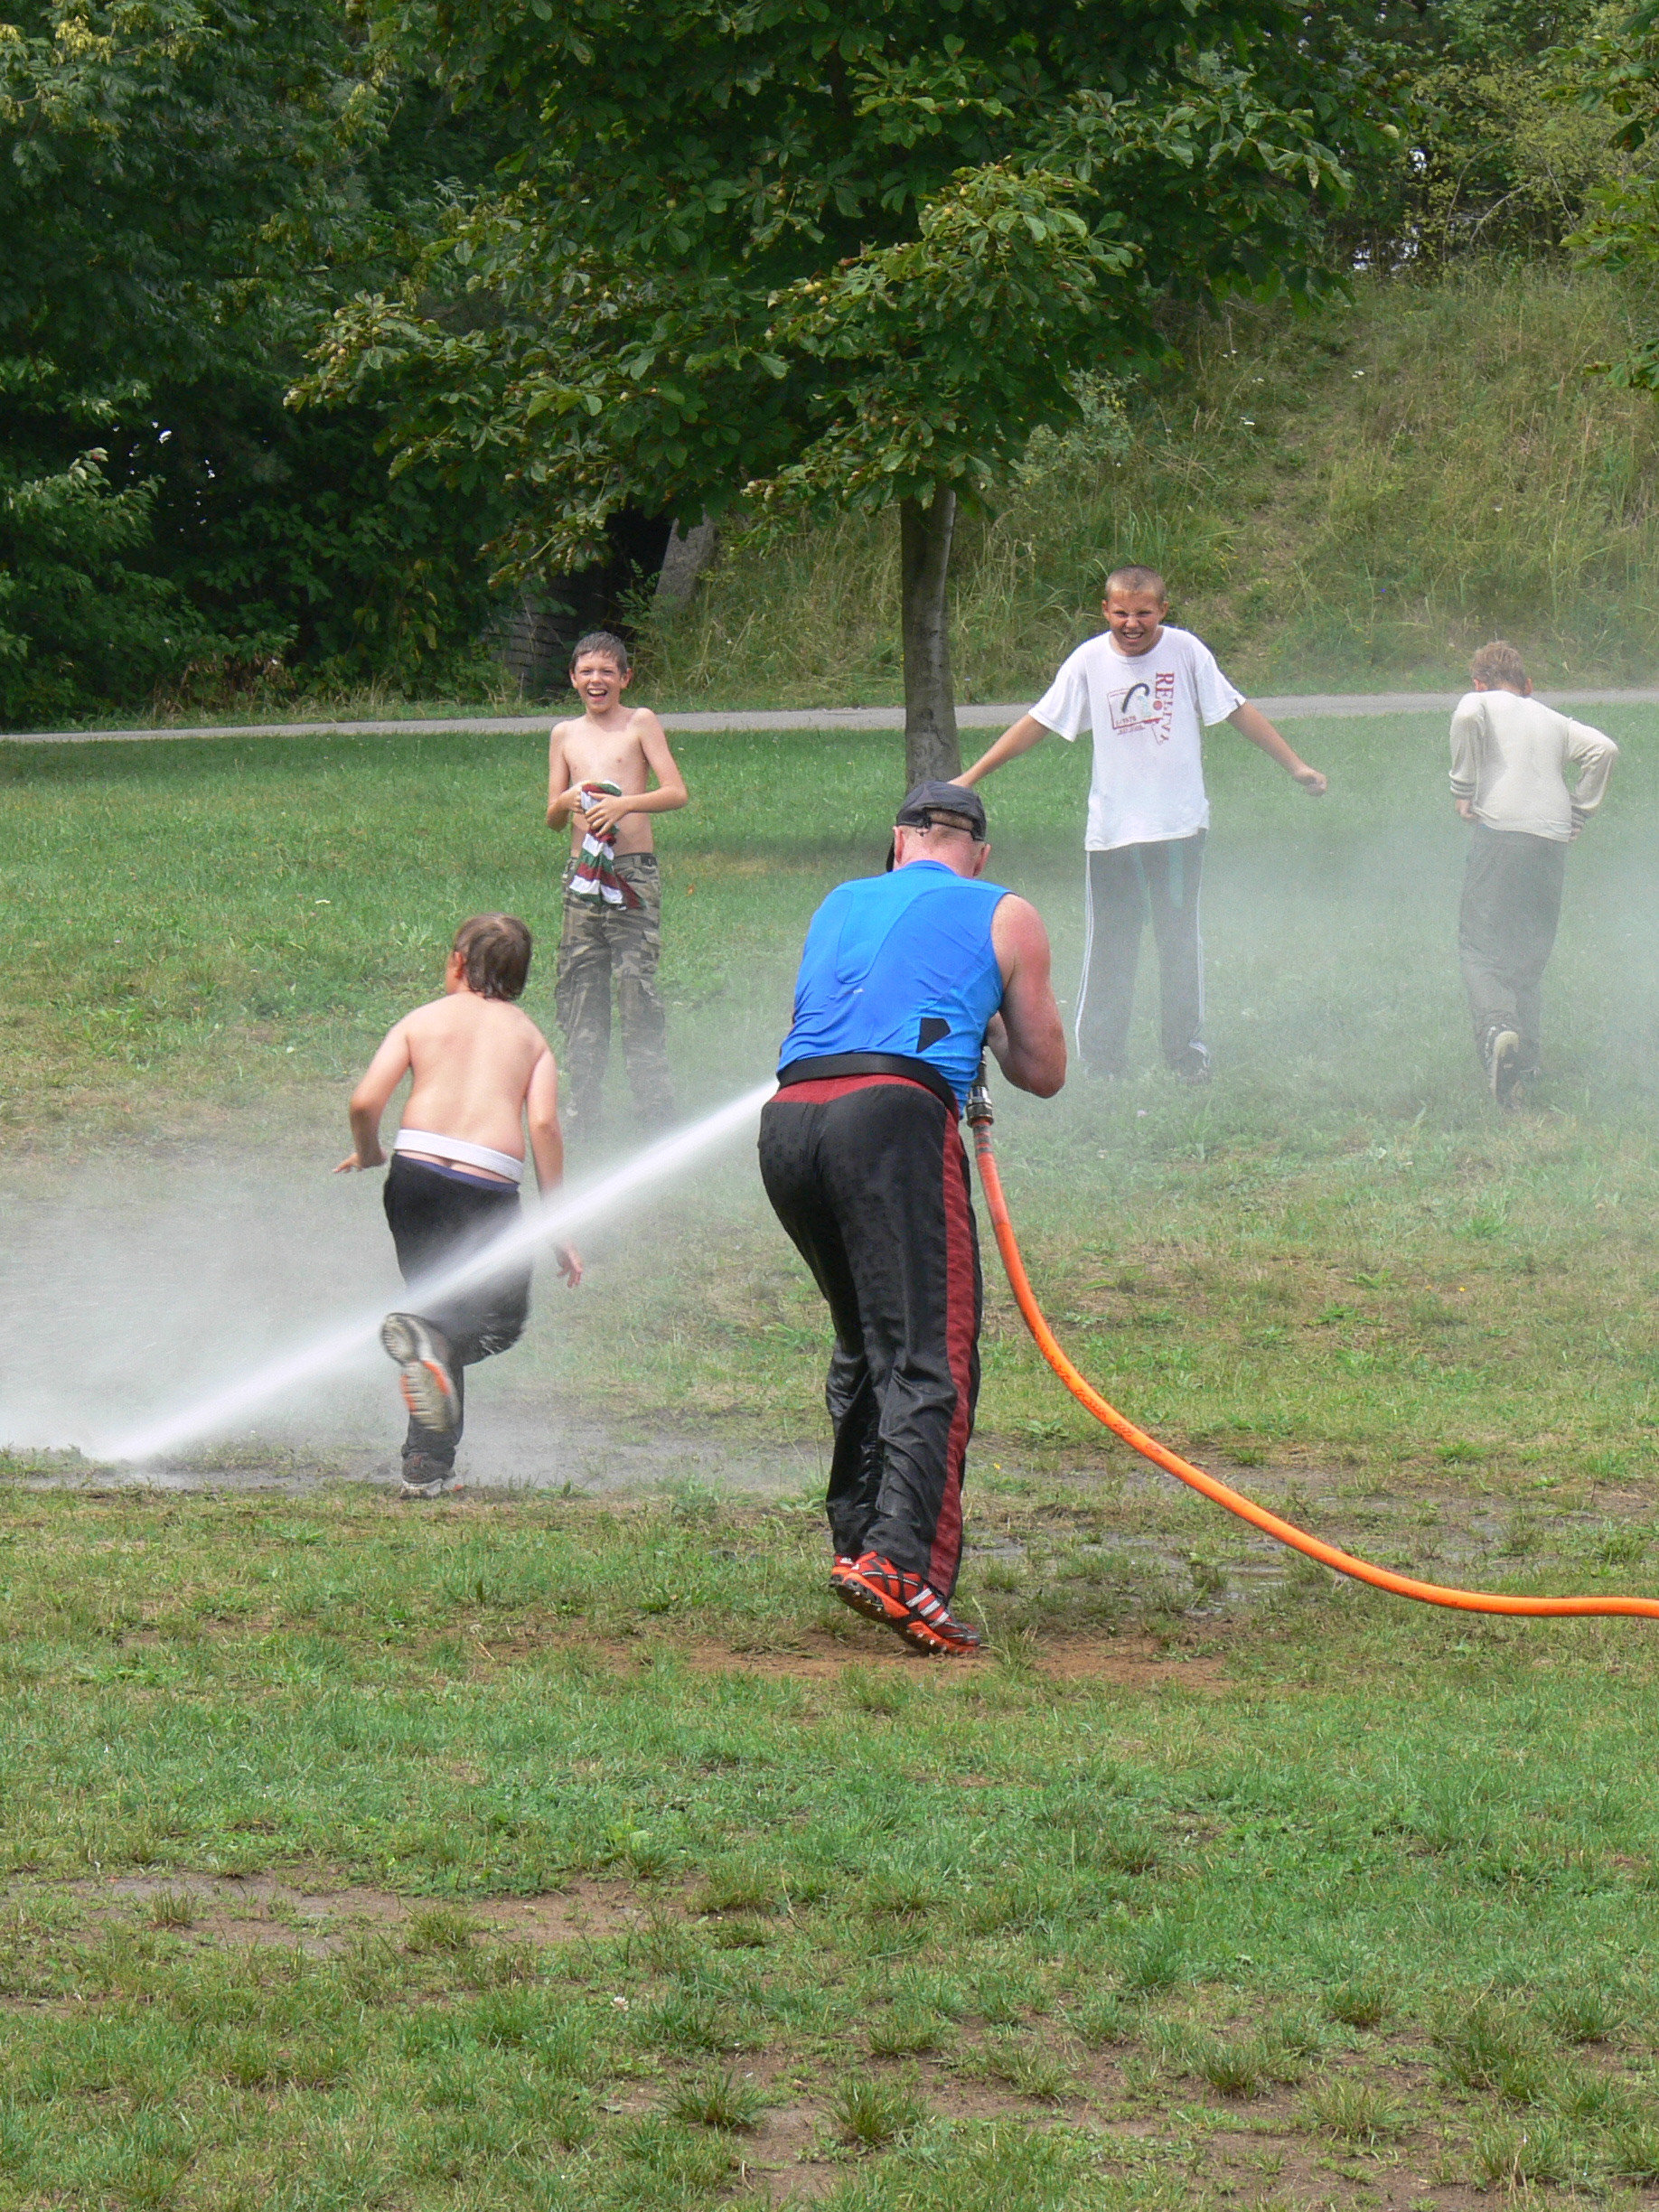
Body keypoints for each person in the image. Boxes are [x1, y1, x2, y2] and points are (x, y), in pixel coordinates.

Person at [758, 782, 1067, 1657]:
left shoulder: (839, 902)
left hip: (790, 1124)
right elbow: (1044, 1070)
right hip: (891, 1118)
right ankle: (902, 1566)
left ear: (899, 842)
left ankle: (860, 1542)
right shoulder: (1005, 911)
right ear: (979, 853)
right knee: (930, 1351)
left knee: (864, 1340)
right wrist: (991, 1023)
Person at [954, 565, 1326, 1083]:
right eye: (1121, 613)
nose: (1132, 624)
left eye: (1144, 613)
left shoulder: (1186, 651)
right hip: (1113, 835)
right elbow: (1038, 722)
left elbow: (1237, 710)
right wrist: (970, 777)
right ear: (1105, 610)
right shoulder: (1089, 661)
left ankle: (1186, 1055)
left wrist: (1296, 765)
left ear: (1163, 611)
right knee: (1111, 948)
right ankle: (1103, 1063)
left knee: (1180, 945)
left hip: (1178, 831)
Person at [337, 914, 581, 1499]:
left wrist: (369, 1152)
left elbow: (365, 1102)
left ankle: (426, 1466)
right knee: (497, 1321)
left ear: (456, 963)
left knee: (436, 1317)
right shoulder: (531, 1041)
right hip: (486, 1191)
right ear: (521, 977)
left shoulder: (421, 1021)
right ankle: (432, 1383)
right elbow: (544, 1126)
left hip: (413, 1180)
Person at [1449, 641, 1617, 1107]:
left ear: (1479, 683)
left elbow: (1466, 717)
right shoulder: (1554, 719)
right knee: (1528, 949)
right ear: (1528, 685)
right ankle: (1527, 1061)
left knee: (1481, 948)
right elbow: (1604, 749)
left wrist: (1464, 787)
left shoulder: (1479, 703)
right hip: (1550, 840)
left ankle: (1498, 1031)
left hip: (1502, 832)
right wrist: (1580, 811)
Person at [547, 631, 689, 1139]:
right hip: (582, 881)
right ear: (572, 678)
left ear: (625, 678)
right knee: (581, 988)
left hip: (632, 874)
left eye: (607, 671)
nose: (596, 680)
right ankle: (583, 1110)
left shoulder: (640, 722)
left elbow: (676, 792)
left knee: (635, 988)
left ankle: (655, 1110)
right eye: (586, 671)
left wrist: (624, 804)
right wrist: (565, 803)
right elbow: (552, 818)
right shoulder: (564, 734)